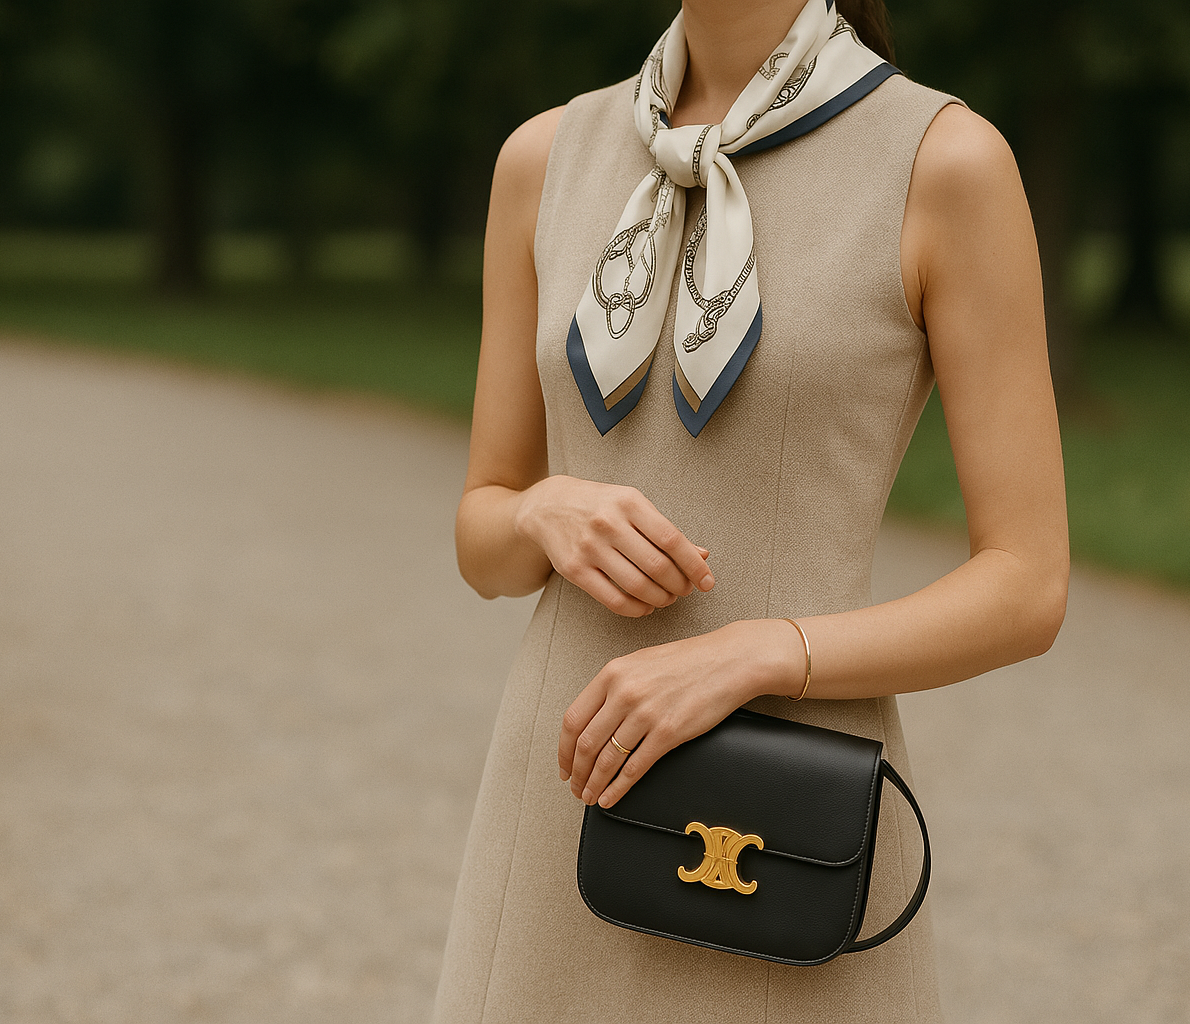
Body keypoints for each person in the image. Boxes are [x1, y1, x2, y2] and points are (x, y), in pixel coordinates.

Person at [436, 0, 1068, 1019]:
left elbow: (1027, 587)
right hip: (559, 788)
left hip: (776, 820)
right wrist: (540, 511)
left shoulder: (944, 164)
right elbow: (483, 539)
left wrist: (760, 652)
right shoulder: (543, 159)